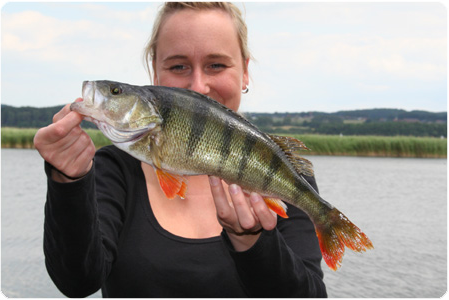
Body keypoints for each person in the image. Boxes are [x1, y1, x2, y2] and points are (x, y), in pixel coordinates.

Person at [34, 2, 327, 297]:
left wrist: (254, 243)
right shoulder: (113, 169)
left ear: (245, 72)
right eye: (178, 66)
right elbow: (77, 282)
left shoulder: (282, 172)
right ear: (155, 73)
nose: (198, 86)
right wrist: (68, 182)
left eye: (216, 65)